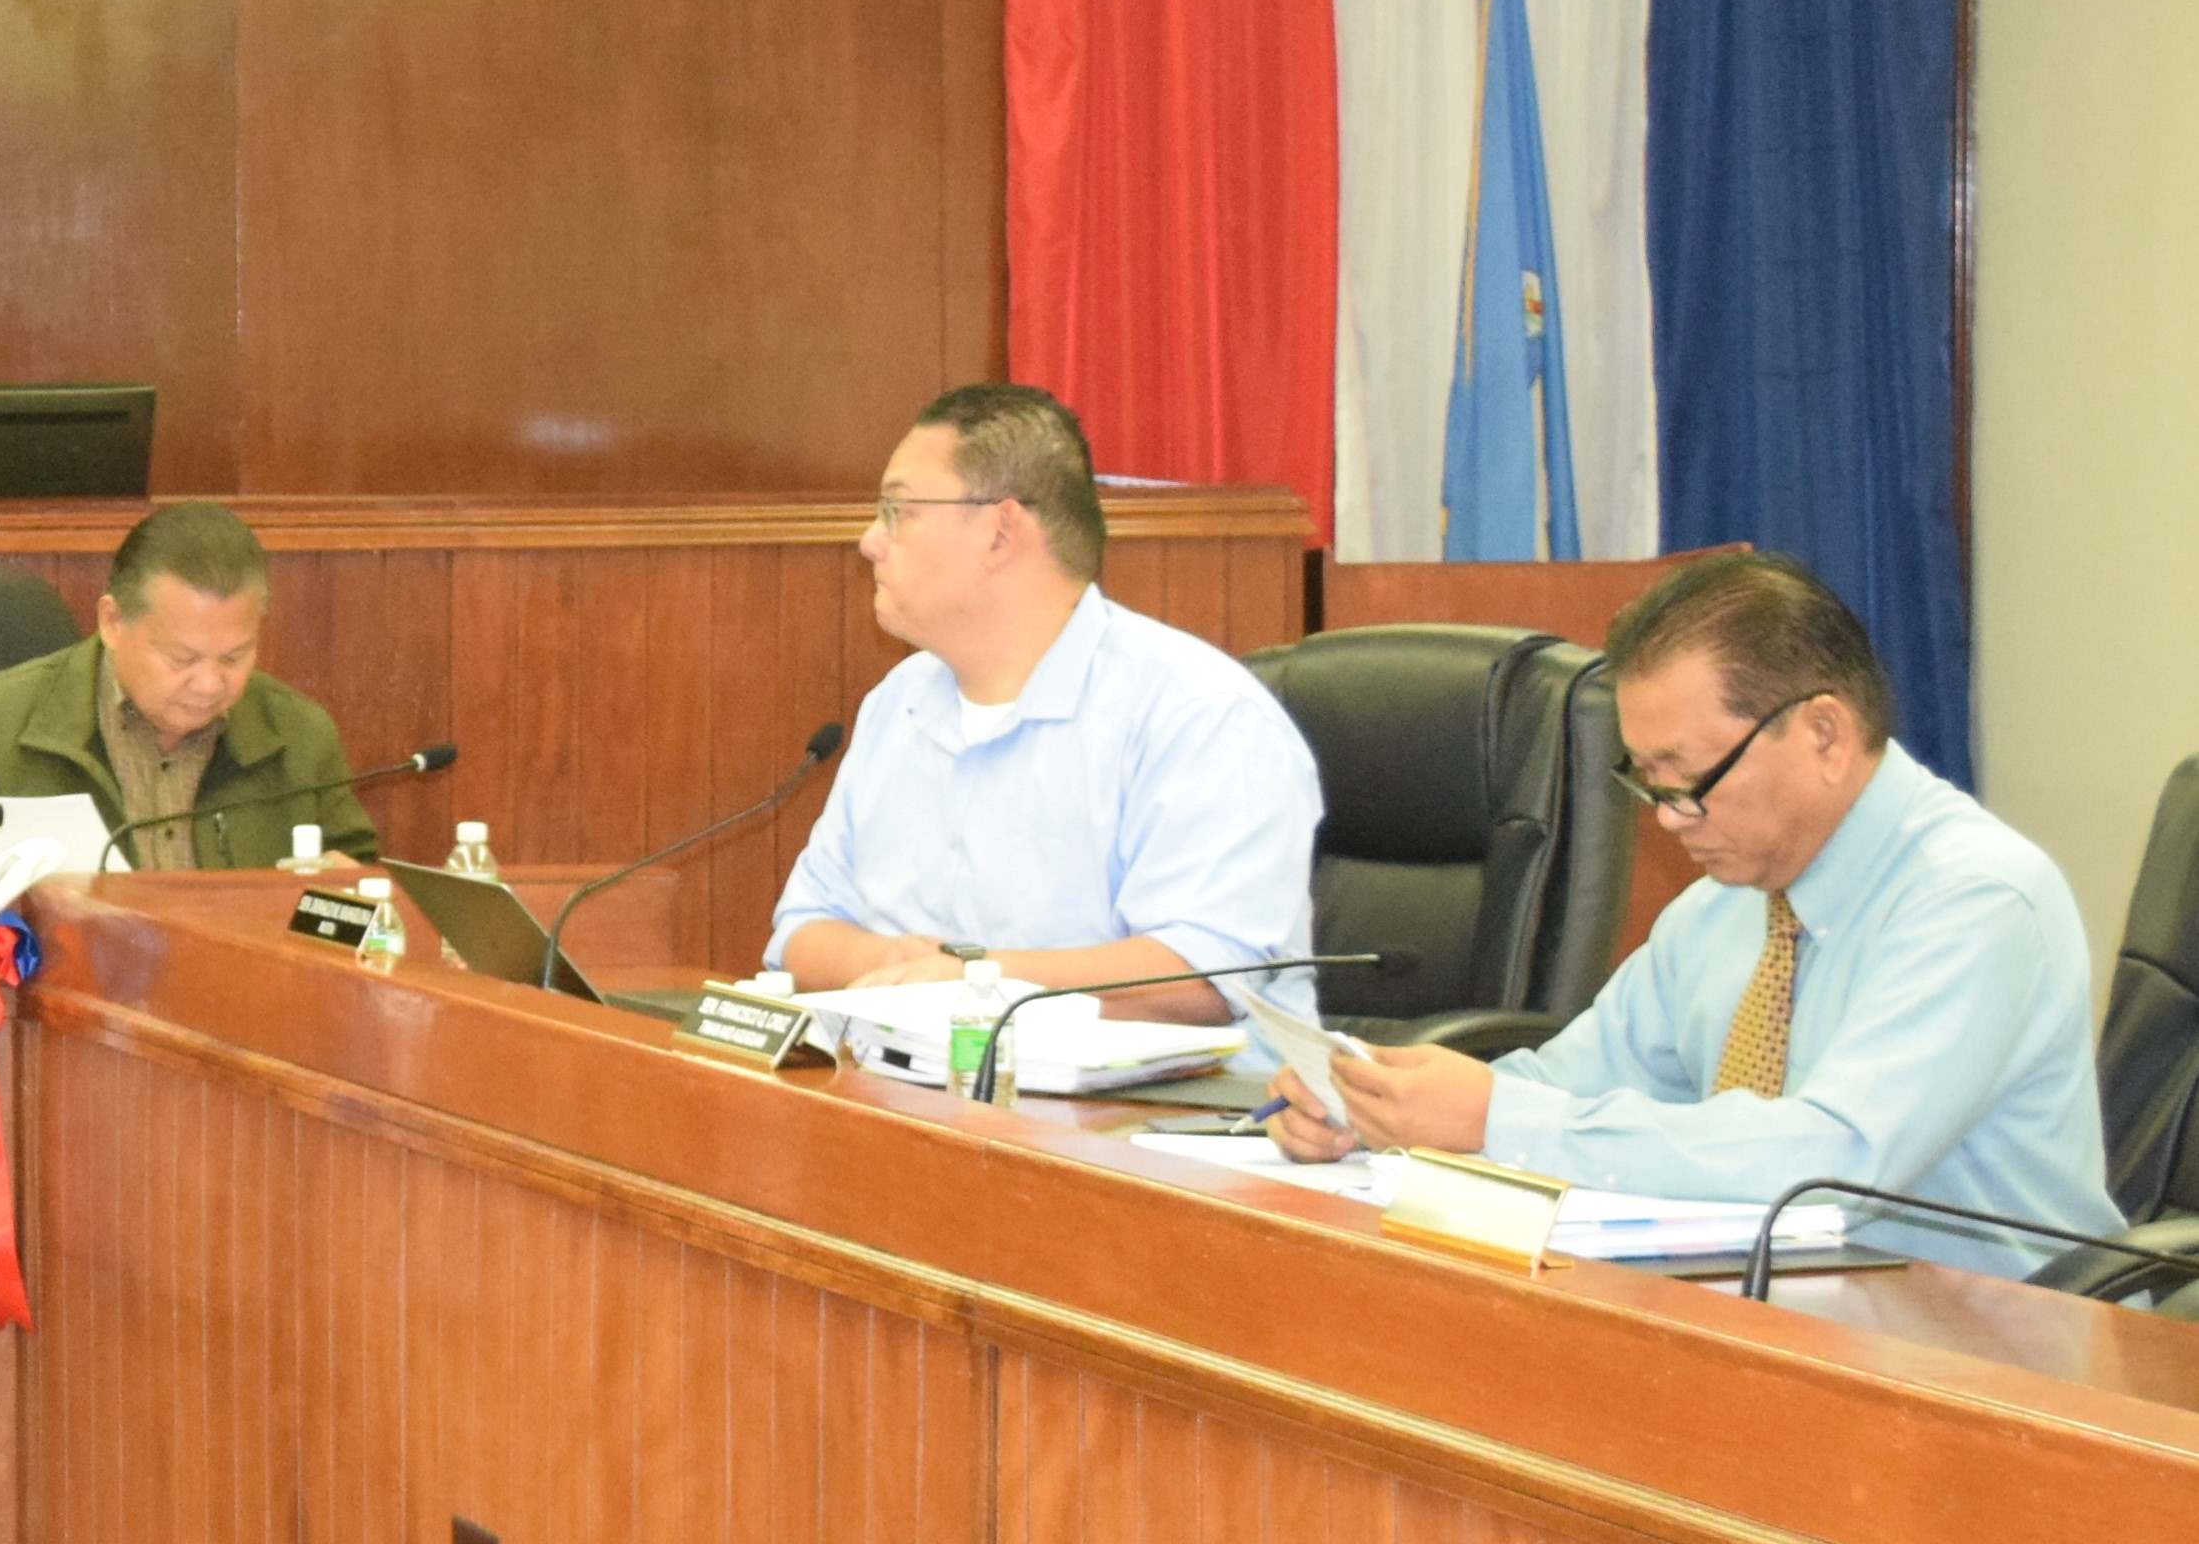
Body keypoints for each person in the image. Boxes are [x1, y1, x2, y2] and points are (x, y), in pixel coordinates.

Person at [1288, 553, 2123, 1274]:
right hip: (1790, 1317)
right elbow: (1563, 1084)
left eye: (1685, 776)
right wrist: (1383, 1113)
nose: (1666, 816)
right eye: (1644, 776)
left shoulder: (1975, 901)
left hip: (2002, 1356)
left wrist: (1494, 1118)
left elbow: (1829, 1163)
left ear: (1823, 734)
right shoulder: (1717, 911)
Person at [769, 384, 1319, 1026]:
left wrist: (970, 980)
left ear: (1001, 532)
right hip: (936, 1099)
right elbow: (803, 930)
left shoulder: (1201, 713)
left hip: (1173, 1114)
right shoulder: (900, 703)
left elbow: (1207, 974)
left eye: (898, 511)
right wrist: (904, 965)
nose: (870, 541)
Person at [0, 502, 375, 871]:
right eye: (181, 658)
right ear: (113, 621)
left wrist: (351, 895)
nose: (209, 684)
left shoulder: (299, 736)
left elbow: (363, 883)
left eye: (234, 657)